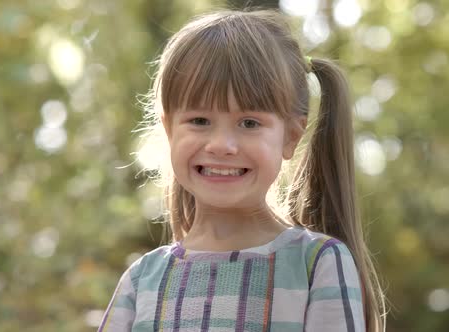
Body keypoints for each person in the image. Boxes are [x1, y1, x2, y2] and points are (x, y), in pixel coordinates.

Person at [98, 8, 386, 332]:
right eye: (199, 121)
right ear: (169, 131)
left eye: (249, 123)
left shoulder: (317, 264)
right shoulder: (140, 281)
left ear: (291, 136)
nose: (222, 145)